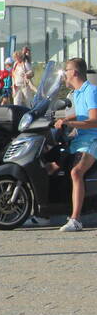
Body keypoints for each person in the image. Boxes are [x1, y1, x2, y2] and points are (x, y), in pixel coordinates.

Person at [52, 58, 97, 232]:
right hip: (79, 139)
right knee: (52, 165)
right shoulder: (77, 93)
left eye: (66, 70)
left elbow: (94, 120)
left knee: (76, 172)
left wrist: (70, 124)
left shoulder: (91, 91)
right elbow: (80, 114)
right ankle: (44, 212)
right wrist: (63, 119)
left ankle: (76, 220)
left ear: (75, 72)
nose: (64, 74)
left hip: (92, 140)